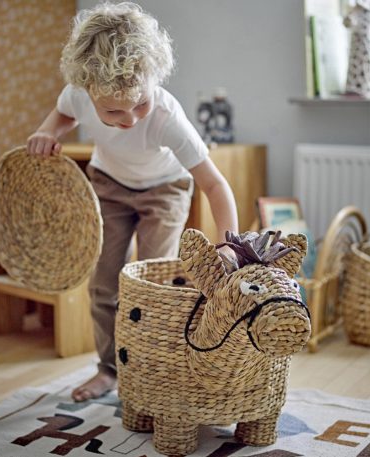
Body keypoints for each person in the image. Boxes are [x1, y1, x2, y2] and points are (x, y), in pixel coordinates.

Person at [26, 1, 238, 402]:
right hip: (109, 186)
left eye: (140, 103)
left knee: (154, 284)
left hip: (165, 191)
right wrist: (46, 131)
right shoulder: (78, 93)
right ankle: (108, 370)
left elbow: (215, 185)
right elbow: (62, 116)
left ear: (151, 82)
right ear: (89, 92)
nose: (131, 120)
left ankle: (153, 367)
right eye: (115, 111)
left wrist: (229, 243)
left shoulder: (166, 116)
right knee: (103, 284)